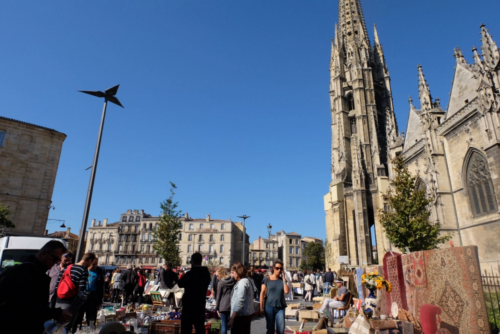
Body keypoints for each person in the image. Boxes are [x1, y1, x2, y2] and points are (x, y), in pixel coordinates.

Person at [0, 240, 72, 334]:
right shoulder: (28, 272)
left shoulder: (33, 270)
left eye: (58, 260)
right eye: (55, 259)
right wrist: (57, 313)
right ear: (43, 254)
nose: (56, 263)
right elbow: (25, 307)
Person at [55, 252, 96, 333]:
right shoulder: (83, 270)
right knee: (65, 329)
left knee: (56, 327)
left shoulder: (68, 267)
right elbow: (82, 291)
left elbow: (57, 284)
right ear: (90, 260)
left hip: (59, 300)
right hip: (70, 303)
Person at [178, 253, 211, 334]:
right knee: (200, 328)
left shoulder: (190, 274)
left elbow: (180, 284)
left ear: (192, 262)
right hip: (200, 304)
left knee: (186, 329)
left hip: (189, 306)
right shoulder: (206, 274)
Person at [260, 260, 290, 334]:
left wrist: (284, 279)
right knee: (270, 329)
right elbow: (262, 293)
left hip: (280, 307)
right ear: (273, 268)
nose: (279, 270)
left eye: (281, 268)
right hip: (269, 306)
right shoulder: (267, 279)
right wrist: (261, 307)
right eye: (277, 268)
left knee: (281, 330)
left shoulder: (282, 280)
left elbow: (286, 291)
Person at [74, 258, 104, 329]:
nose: (95, 266)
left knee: (91, 319)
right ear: (89, 263)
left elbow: (101, 287)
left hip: (93, 297)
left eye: (96, 264)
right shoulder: (82, 270)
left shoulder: (99, 271)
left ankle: (90, 330)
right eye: (93, 264)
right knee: (78, 317)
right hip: (81, 297)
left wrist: (99, 301)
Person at [228, 262, 254, 334]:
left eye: (233, 273)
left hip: (240, 317)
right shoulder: (248, 280)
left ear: (238, 272)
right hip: (246, 315)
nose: (231, 275)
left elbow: (239, 301)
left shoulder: (242, 283)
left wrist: (232, 318)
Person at [215, 267, 235, 334]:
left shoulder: (220, 283)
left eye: (217, 276)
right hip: (232, 304)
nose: (217, 277)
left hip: (223, 305)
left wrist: (217, 308)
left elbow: (218, 296)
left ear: (221, 274)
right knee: (232, 323)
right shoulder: (233, 280)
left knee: (224, 324)